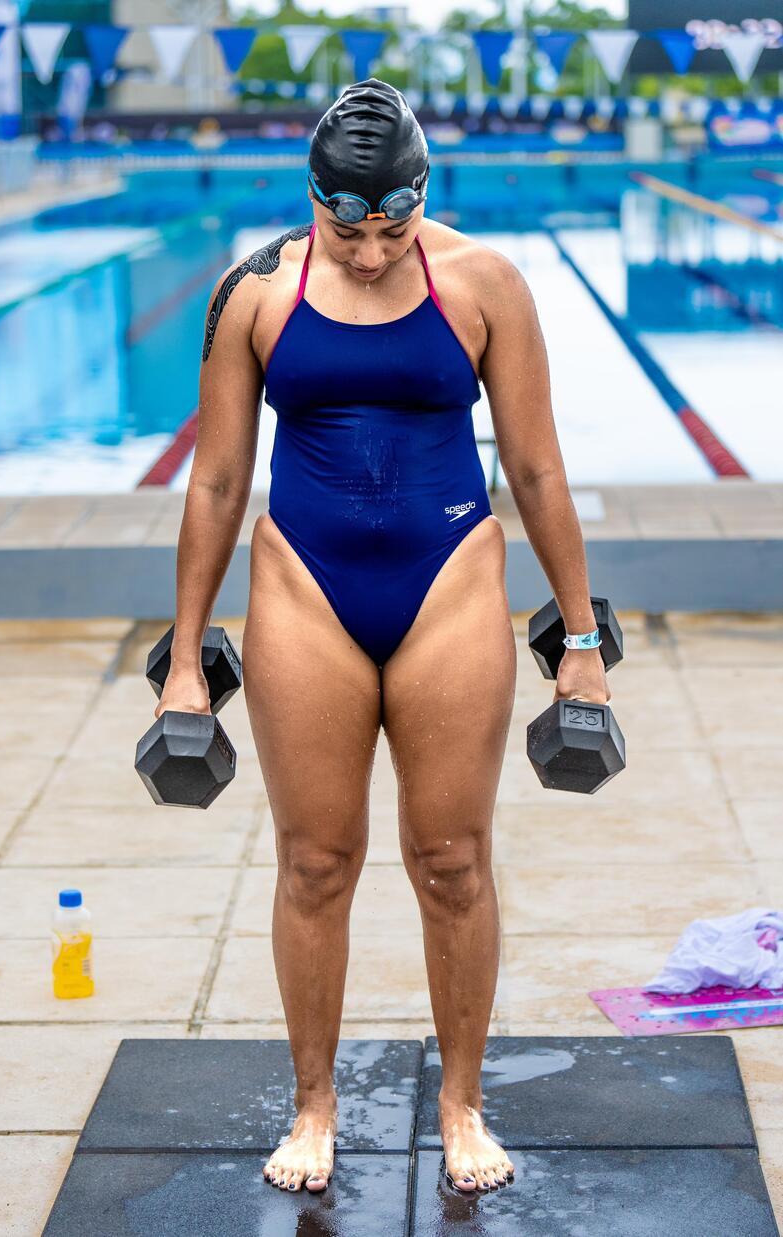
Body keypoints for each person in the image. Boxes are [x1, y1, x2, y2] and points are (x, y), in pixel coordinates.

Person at [156, 79, 610, 1195]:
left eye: (390, 231)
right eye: (345, 229)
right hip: (303, 588)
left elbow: (536, 467)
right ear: (312, 198)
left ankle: (463, 1103)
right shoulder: (253, 291)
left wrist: (583, 638)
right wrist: (182, 659)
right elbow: (215, 482)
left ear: (422, 197)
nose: (367, 255)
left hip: (447, 582)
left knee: (452, 859)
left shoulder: (484, 283)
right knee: (315, 861)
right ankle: (314, 1104)